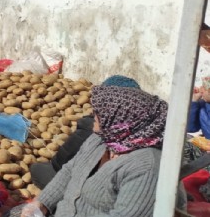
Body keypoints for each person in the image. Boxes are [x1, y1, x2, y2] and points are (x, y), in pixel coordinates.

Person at [13, 85, 185, 217]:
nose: (93, 115)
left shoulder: (147, 167)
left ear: (123, 120)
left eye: (100, 112)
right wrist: (41, 203)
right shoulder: (102, 139)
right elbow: (70, 170)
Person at [29, 75, 141, 189]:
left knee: (38, 169)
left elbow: (60, 163)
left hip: (90, 192)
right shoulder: (145, 132)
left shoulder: (91, 128)